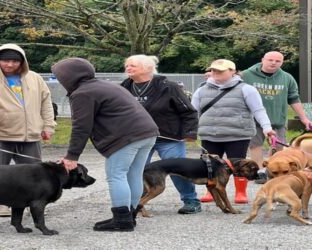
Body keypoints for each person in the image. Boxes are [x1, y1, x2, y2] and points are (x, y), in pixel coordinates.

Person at [51, 57, 159, 232]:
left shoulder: (83, 93)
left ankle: (121, 220)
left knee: (117, 175)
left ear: (69, 77)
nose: (59, 81)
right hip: (147, 132)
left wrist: (72, 156)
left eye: (59, 77)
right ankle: (129, 216)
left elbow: (81, 127)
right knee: (133, 174)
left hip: (126, 137)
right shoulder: (105, 85)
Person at [0, 43, 56, 217]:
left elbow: (46, 103)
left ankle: (35, 203)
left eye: (14, 61)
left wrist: (48, 126)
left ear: (22, 61)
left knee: (35, 173)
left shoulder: (35, 78)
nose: (10, 65)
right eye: (5, 61)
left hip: (30, 134)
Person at [120, 55, 201, 214]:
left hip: (168, 138)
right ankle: (136, 203)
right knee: (138, 170)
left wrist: (190, 132)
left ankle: (191, 200)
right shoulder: (123, 87)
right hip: (138, 138)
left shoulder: (168, 87)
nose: (128, 68)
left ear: (148, 68)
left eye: (133, 66)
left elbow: (189, 111)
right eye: (127, 66)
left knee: (178, 170)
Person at [191, 59, 275, 203]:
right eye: (213, 70)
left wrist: (267, 128)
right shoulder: (202, 89)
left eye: (220, 71)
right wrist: (189, 131)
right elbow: (192, 112)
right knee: (209, 166)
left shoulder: (247, 89)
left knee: (240, 166)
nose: (215, 73)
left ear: (233, 72)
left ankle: (240, 193)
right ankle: (210, 191)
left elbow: (259, 110)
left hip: (237, 135)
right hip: (210, 135)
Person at [242, 51, 312, 184]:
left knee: (279, 148)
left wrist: (304, 118)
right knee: (255, 145)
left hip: (277, 119)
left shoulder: (287, 78)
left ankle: (276, 170)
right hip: (254, 120)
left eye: (277, 61)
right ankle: (260, 172)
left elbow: (294, 99)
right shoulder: (246, 75)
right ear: (263, 59)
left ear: (282, 63)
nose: (273, 63)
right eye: (270, 60)